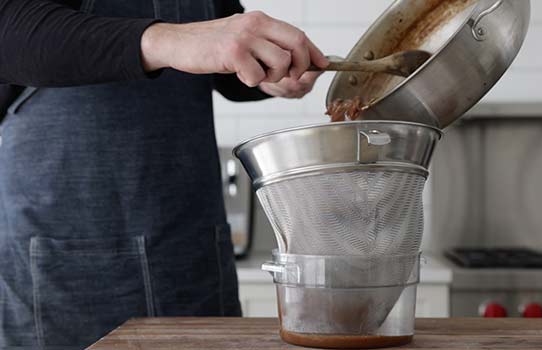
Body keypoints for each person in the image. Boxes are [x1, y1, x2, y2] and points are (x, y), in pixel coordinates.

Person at [0, 0, 329, 347]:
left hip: (190, 251)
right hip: (63, 262)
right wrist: (168, 40)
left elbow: (214, 51)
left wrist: (261, 72)